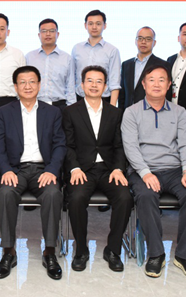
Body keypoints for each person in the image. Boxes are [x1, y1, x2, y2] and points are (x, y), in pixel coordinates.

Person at [122, 63, 186, 279]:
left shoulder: (179, 112)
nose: (156, 84)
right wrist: (145, 173)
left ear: (169, 85)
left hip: (175, 169)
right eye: (151, 80)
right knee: (146, 195)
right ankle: (156, 254)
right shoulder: (131, 112)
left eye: (162, 80)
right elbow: (130, 147)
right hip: (144, 170)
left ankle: (185, 256)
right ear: (143, 84)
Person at [0, 66, 66, 280]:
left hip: (44, 169)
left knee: (52, 194)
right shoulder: (4, 112)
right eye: (22, 82)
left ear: (39, 85)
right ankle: (8, 251)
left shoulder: (52, 112)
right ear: (15, 87)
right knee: (5, 193)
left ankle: (49, 251)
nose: (27, 86)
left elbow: (60, 145)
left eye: (32, 81)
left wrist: (52, 170)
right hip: (15, 169)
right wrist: (6, 170)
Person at [63, 65, 133, 272]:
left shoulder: (115, 113)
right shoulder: (70, 112)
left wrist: (118, 169)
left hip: (109, 169)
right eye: (90, 81)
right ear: (82, 85)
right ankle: (81, 249)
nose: (94, 85)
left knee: (125, 198)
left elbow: (120, 145)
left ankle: (113, 249)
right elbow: (67, 145)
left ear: (105, 86)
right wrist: (74, 168)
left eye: (99, 81)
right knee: (76, 198)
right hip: (82, 169)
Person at [71, 10, 120, 105]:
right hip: (80, 98)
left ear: (104, 26)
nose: (94, 27)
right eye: (90, 24)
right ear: (85, 25)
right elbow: (72, 79)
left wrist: (112, 107)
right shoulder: (77, 48)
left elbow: (115, 82)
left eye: (98, 24)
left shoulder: (112, 50)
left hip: (103, 99)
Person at [25, 18, 76, 110]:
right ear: (39, 35)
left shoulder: (67, 58)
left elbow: (70, 87)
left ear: (57, 34)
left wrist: (71, 109)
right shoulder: (29, 57)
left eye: (52, 31)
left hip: (59, 106)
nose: (48, 34)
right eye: (44, 31)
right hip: (34, 105)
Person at [118, 26, 167, 110]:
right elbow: (122, 94)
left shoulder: (162, 65)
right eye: (140, 38)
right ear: (135, 41)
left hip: (152, 112)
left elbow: (165, 94)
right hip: (128, 113)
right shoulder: (126, 64)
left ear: (154, 43)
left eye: (148, 39)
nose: (143, 42)